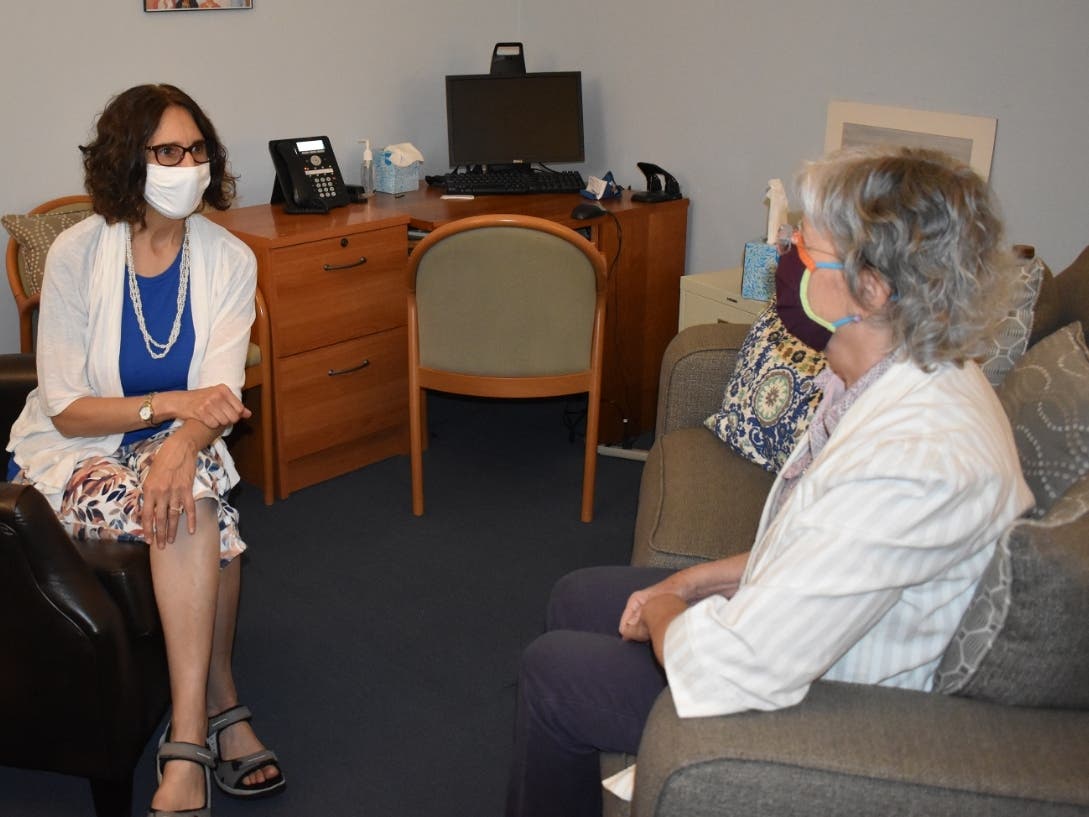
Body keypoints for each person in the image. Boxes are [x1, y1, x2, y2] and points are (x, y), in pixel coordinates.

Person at [505, 146, 1035, 817]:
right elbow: (824, 543)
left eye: (804, 248)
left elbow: (737, 666)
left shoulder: (918, 459)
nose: (785, 253)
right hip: (806, 631)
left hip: (836, 700)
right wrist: (696, 580)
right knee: (579, 595)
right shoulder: (888, 377)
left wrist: (666, 609)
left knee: (554, 677)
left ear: (871, 286)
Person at [5, 84, 284, 816]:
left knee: (190, 494)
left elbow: (219, 397)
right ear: (130, 160)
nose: (188, 164)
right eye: (169, 150)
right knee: (205, 517)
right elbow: (67, 409)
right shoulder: (76, 252)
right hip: (77, 451)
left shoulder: (228, 259)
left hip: (176, 440)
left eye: (197, 149)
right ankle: (218, 704)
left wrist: (179, 443)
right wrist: (169, 411)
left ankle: (186, 736)